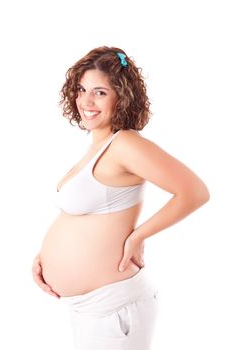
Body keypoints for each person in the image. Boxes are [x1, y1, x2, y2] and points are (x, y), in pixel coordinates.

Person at [32, 46, 210, 350]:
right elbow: (87, 217)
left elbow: (194, 192)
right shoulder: (98, 147)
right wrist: (45, 259)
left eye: (99, 92)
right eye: (81, 89)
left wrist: (138, 236)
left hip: (113, 307)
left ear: (121, 97)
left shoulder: (125, 144)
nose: (86, 100)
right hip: (90, 307)